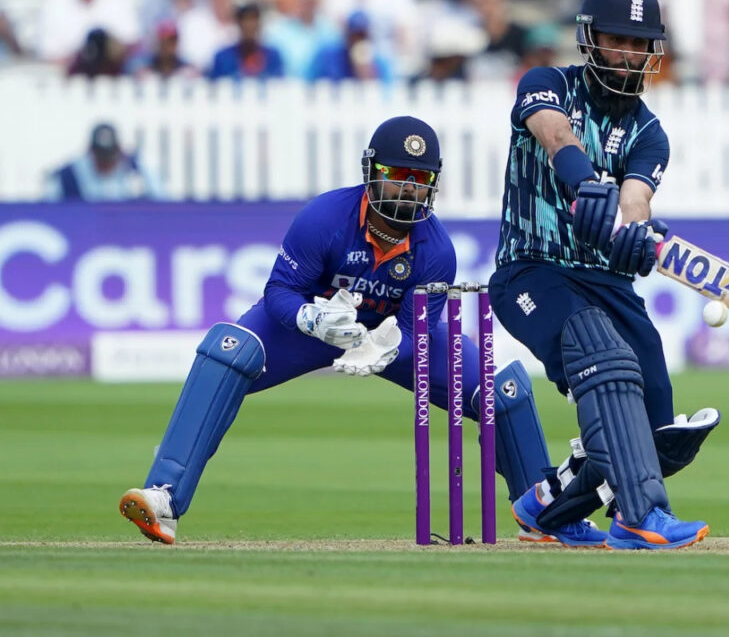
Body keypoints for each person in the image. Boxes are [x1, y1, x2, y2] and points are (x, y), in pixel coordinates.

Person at [118, 116, 561, 545]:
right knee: (228, 350)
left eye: (420, 178)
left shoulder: (437, 251)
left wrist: (385, 349)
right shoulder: (326, 217)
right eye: (397, 174)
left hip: (387, 338)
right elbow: (279, 292)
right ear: (372, 172)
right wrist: (311, 318)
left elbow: (416, 333)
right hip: (311, 329)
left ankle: (546, 515)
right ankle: (165, 497)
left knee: (500, 385)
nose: (408, 187)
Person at [490, 0, 719, 550]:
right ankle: (640, 517)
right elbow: (553, 132)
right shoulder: (547, 84)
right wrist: (585, 181)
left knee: (656, 431)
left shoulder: (649, 132)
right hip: (532, 271)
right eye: (616, 40)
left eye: (640, 44)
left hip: (608, 284)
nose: (628, 55)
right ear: (589, 40)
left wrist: (634, 231)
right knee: (605, 357)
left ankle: (545, 507)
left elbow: (637, 198)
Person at [44, 122, 164, 201]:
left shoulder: (132, 172)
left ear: (119, 151)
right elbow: (50, 202)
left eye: (109, 157)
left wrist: (139, 166)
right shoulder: (70, 174)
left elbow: (160, 197)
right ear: (90, 153)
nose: (105, 163)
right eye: (100, 157)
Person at [208, 2, 284, 80]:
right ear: (238, 24)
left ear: (259, 24)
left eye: (253, 19)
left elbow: (278, 85)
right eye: (245, 20)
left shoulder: (272, 57)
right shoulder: (223, 58)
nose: (249, 26)